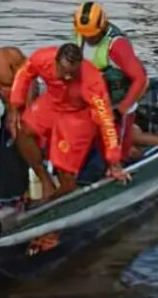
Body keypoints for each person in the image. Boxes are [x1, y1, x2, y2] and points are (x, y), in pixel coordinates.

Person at [9, 43, 129, 200]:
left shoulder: (92, 81)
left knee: (66, 173)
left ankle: (52, 202)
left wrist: (114, 161)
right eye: (64, 71)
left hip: (78, 113)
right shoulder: (42, 58)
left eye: (72, 73)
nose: (67, 77)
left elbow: (106, 120)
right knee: (23, 129)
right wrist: (16, 105)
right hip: (53, 101)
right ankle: (45, 180)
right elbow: (24, 73)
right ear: (56, 61)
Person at [73, 2, 148, 160]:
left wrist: (121, 109)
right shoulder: (80, 34)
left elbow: (140, 79)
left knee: (118, 153)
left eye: (92, 35)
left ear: (103, 26)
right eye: (85, 35)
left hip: (118, 103)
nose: (88, 38)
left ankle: (132, 155)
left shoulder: (117, 45)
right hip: (93, 101)